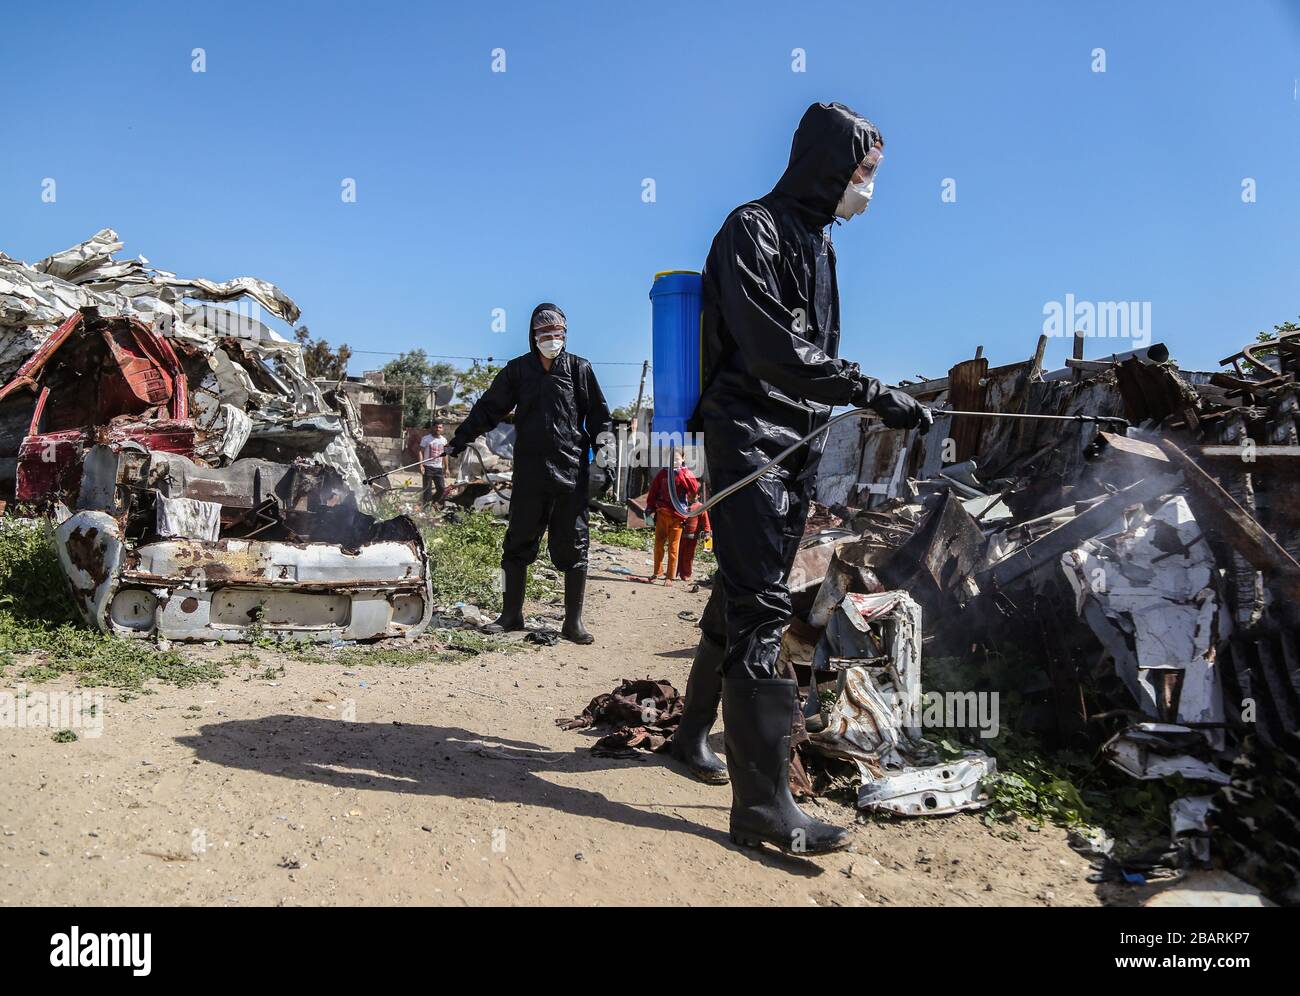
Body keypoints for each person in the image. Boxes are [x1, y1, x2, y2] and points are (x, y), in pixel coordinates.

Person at [666, 103, 931, 853]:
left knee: (736, 593)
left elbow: (812, 355)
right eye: (864, 171)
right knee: (759, 607)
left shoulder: (819, 245)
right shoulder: (752, 227)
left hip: (794, 439)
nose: (868, 188)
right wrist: (872, 390)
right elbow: (775, 349)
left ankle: (688, 741)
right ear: (830, 162)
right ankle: (762, 808)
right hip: (747, 430)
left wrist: (854, 398)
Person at [447, 303, 613, 644]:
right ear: (532, 336)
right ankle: (511, 616)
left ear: (566, 335)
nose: (552, 339)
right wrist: (461, 437)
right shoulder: (517, 371)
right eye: (544, 334)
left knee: (575, 545)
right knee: (518, 543)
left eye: (558, 334)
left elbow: (600, 416)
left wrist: (606, 457)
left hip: (572, 473)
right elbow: (489, 407)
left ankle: (573, 623)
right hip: (531, 473)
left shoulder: (580, 369)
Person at [645, 462, 699, 584]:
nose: (674, 460)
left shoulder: (687, 474)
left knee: (673, 547)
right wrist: (650, 506)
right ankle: (657, 572)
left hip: (677, 516)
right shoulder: (663, 473)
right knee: (658, 544)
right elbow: (654, 490)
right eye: (671, 457)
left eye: (677, 458)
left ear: (683, 459)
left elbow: (694, 489)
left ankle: (670, 576)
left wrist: (682, 473)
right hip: (662, 514)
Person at [675, 496, 710, 582]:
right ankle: (675, 572)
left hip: (692, 536)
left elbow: (706, 522)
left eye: (693, 494)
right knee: (678, 554)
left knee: (688, 556)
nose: (689, 496)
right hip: (680, 535)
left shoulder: (700, 506)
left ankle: (686, 574)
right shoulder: (683, 504)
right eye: (688, 493)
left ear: (698, 495)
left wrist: (707, 537)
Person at [419, 419, 447, 506]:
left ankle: (433, 502)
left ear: (442, 429)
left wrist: (447, 468)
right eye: (436, 427)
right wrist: (421, 465)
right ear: (432, 428)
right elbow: (420, 451)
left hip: (438, 468)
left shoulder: (444, 440)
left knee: (442, 489)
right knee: (427, 490)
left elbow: (445, 454)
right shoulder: (426, 439)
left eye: (440, 427)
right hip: (428, 467)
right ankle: (426, 509)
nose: (438, 429)